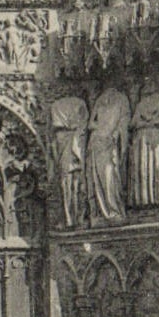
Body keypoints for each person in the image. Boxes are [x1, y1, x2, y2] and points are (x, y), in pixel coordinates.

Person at [85, 88, 130, 222]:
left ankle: (113, 210)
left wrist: (114, 134)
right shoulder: (100, 102)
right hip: (97, 142)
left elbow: (124, 122)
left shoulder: (121, 101)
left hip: (109, 144)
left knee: (110, 176)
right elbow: (90, 124)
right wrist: (100, 129)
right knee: (97, 177)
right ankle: (101, 212)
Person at [128, 86, 159, 208]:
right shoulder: (141, 104)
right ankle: (144, 200)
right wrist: (149, 122)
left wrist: (148, 122)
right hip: (143, 139)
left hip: (156, 136)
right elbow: (133, 123)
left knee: (157, 166)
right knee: (143, 168)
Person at [49, 95, 88, 228]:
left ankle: (77, 218)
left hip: (75, 150)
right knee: (66, 184)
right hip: (68, 152)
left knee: (77, 184)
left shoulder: (72, 133)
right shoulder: (61, 134)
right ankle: (69, 218)